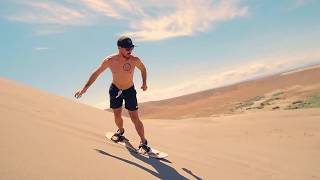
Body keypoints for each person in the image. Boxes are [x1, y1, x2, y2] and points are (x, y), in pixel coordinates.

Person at [74, 36, 150, 152]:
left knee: (135, 118)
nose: (130, 50)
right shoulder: (110, 60)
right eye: (127, 48)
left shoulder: (135, 60)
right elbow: (97, 73)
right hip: (115, 90)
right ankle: (120, 131)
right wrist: (84, 89)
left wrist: (144, 83)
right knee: (117, 116)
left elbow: (143, 69)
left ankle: (144, 142)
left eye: (131, 48)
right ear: (119, 48)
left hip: (129, 90)